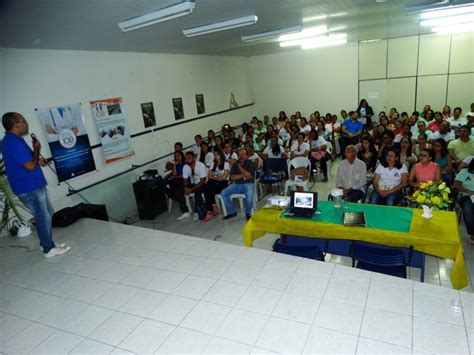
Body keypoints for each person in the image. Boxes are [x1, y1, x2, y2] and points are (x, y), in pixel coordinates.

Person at [1, 112, 70, 257]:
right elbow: (30, 167)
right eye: (24, 121)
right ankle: (48, 249)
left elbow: (29, 161)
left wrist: (38, 160)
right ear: (16, 124)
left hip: (34, 185)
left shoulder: (16, 139)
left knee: (48, 213)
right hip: (29, 187)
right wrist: (37, 148)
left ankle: (46, 243)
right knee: (42, 217)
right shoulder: (12, 142)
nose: (26, 123)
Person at [221, 149, 255, 221]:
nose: (241, 156)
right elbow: (233, 177)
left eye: (242, 154)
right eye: (239, 155)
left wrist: (240, 167)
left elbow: (249, 176)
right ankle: (232, 211)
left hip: (248, 184)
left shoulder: (250, 163)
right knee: (224, 192)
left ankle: (248, 213)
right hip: (236, 184)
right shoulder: (235, 164)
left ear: (246, 155)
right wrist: (244, 175)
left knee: (250, 193)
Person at [177, 151, 207, 221]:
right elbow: (185, 180)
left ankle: (196, 212)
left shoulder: (200, 165)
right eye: (185, 159)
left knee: (198, 191)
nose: (187, 160)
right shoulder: (185, 167)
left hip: (201, 183)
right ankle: (185, 212)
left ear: (193, 158)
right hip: (192, 183)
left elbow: (203, 181)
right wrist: (185, 188)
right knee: (179, 191)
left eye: (189, 158)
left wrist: (191, 189)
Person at [203, 150, 229, 221]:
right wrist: (218, 176)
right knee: (207, 187)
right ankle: (212, 208)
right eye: (215, 155)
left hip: (223, 184)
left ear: (221, 155)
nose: (216, 156)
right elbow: (209, 176)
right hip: (213, 183)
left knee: (207, 188)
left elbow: (224, 177)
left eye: (217, 154)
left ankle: (212, 209)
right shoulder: (213, 163)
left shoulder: (225, 164)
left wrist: (214, 176)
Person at [453, 159, 474, 244]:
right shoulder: (464, 172)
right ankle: (473, 235)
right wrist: (470, 192)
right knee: (468, 210)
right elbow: (456, 185)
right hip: (466, 195)